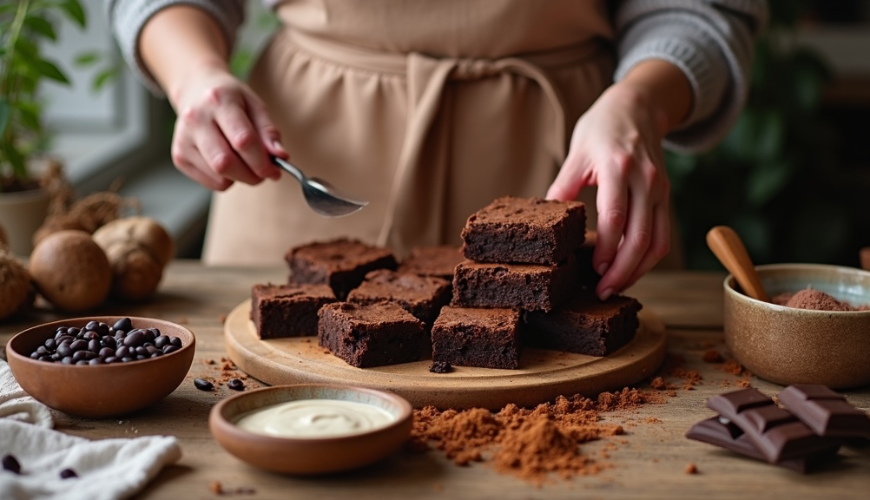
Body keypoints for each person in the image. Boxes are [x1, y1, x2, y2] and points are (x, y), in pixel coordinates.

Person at [107, 0, 767, 300]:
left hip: (574, 149)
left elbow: (706, 10)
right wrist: (193, 75)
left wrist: (641, 102)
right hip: (302, 164)